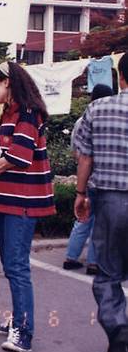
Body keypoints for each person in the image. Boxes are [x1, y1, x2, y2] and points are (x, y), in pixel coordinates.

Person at [0, 61, 54, 352]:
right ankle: (18, 319)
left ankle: (23, 331)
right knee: (11, 264)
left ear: (8, 82)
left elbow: (20, 156)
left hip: (22, 200)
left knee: (16, 266)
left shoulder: (27, 113)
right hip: (8, 198)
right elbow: (0, 154)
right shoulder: (9, 114)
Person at [74, 54, 128, 352]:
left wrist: (80, 193)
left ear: (121, 77)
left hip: (110, 201)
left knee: (108, 275)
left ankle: (118, 328)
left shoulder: (98, 108)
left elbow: (85, 159)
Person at [63, 83, 114, 275]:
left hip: (85, 174)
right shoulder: (103, 119)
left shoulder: (80, 120)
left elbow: (77, 152)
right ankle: (93, 262)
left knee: (83, 217)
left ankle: (71, 256)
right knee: (99, 221)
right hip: (101, 174)